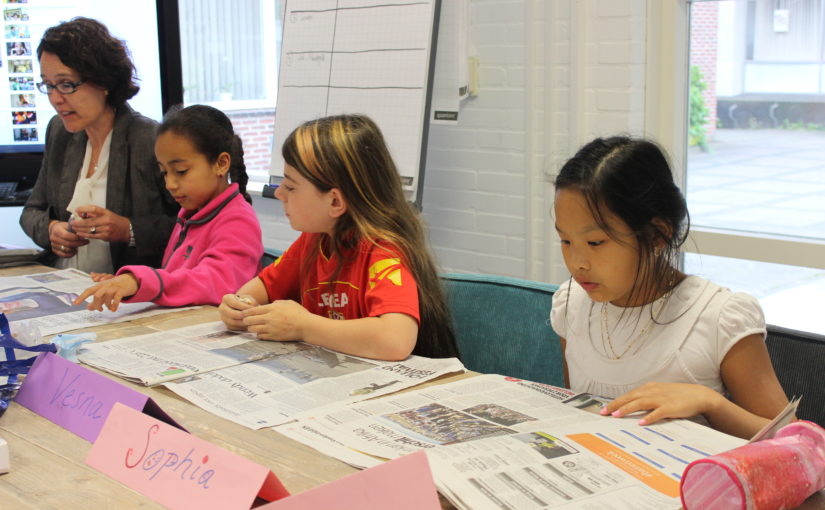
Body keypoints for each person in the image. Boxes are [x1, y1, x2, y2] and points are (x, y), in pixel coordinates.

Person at [550, 136, 788, 439]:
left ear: (656, 236)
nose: (577, 263)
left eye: (595, 242)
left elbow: (793, 442)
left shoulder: (718, 317)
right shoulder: (572, 303)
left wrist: (711, 403)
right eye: (565, 241)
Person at [219, 114, 457, 362]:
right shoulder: (314, 240)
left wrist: (304, 326)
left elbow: (395, 341)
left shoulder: (383, 249)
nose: (279, 193)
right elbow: (260, 289)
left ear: (335, 201)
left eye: (290, 186)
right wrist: (240, 307)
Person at [19, 17, 178, 273]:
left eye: (66, 84)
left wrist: (128, 230)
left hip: (124, 293)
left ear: (103, 81)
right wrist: (52, 230)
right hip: (63, 284)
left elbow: (193, 227)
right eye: (48, 86)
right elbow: (31, 211)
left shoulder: (149, 139)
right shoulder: (58, 131)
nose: (55, 99)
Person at [73, 105, 262, 311]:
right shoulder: (191, 214)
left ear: (221, 163)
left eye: (181, 171)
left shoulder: (237, 220)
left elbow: (215, 283)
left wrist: (140, 282)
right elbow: (176, 276)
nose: (170, 184)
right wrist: (124, 284)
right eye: (164, 172)